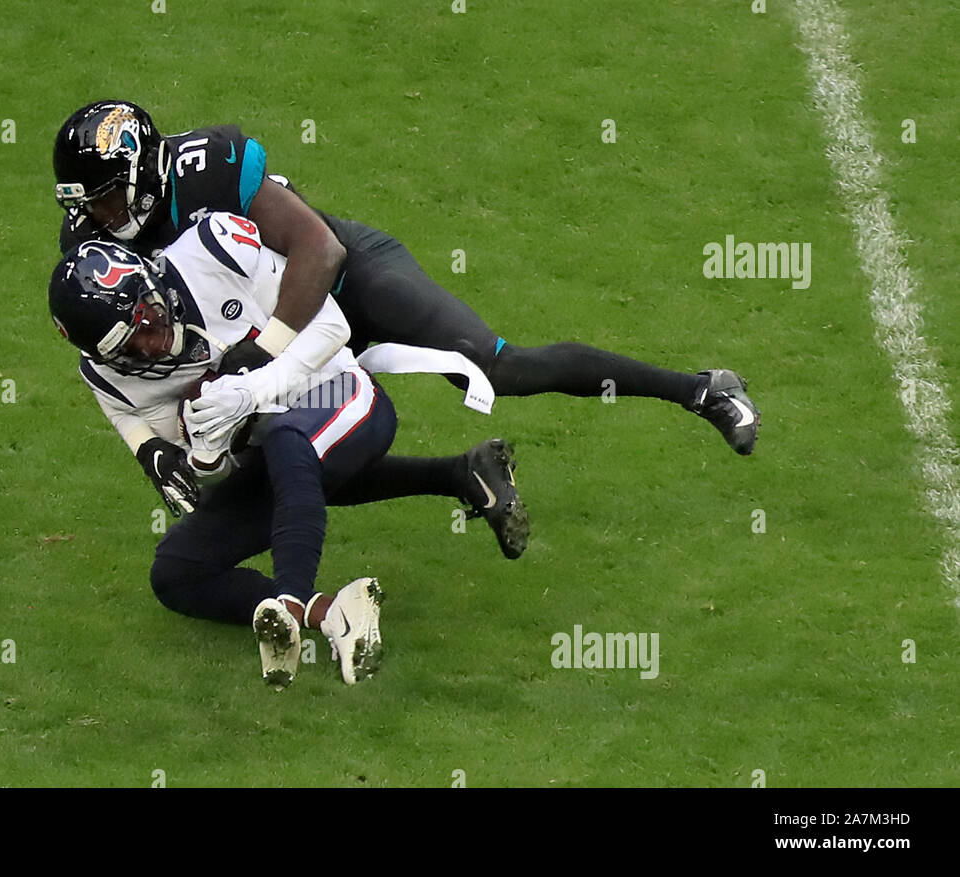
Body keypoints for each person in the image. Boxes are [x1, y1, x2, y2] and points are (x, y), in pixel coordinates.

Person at [51, 100, 762, 460]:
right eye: (88, 203)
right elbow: (104, 351)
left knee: (498, 367)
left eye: (108, 196)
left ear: (146, 172)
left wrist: (261, 357)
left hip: (337, 279)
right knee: (272, 453)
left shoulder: (209, 164)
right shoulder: (91, 244)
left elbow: (318, 250)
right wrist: (154, 449)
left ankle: (701, 389)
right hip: (256, 317)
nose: (98, 215)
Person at [47, 211, 528, 688]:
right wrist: (208, 455)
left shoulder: (211, 251)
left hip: (342, 390)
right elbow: (205, 488)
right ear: (105, 356)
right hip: (278, 449)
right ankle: (337, 612)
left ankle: (291, 604)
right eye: (133, 343)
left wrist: (254, 389)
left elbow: (331, 327)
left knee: (288, 441)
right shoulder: (109, 380)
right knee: (176, 571)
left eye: (148, 317)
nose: (154, 341)